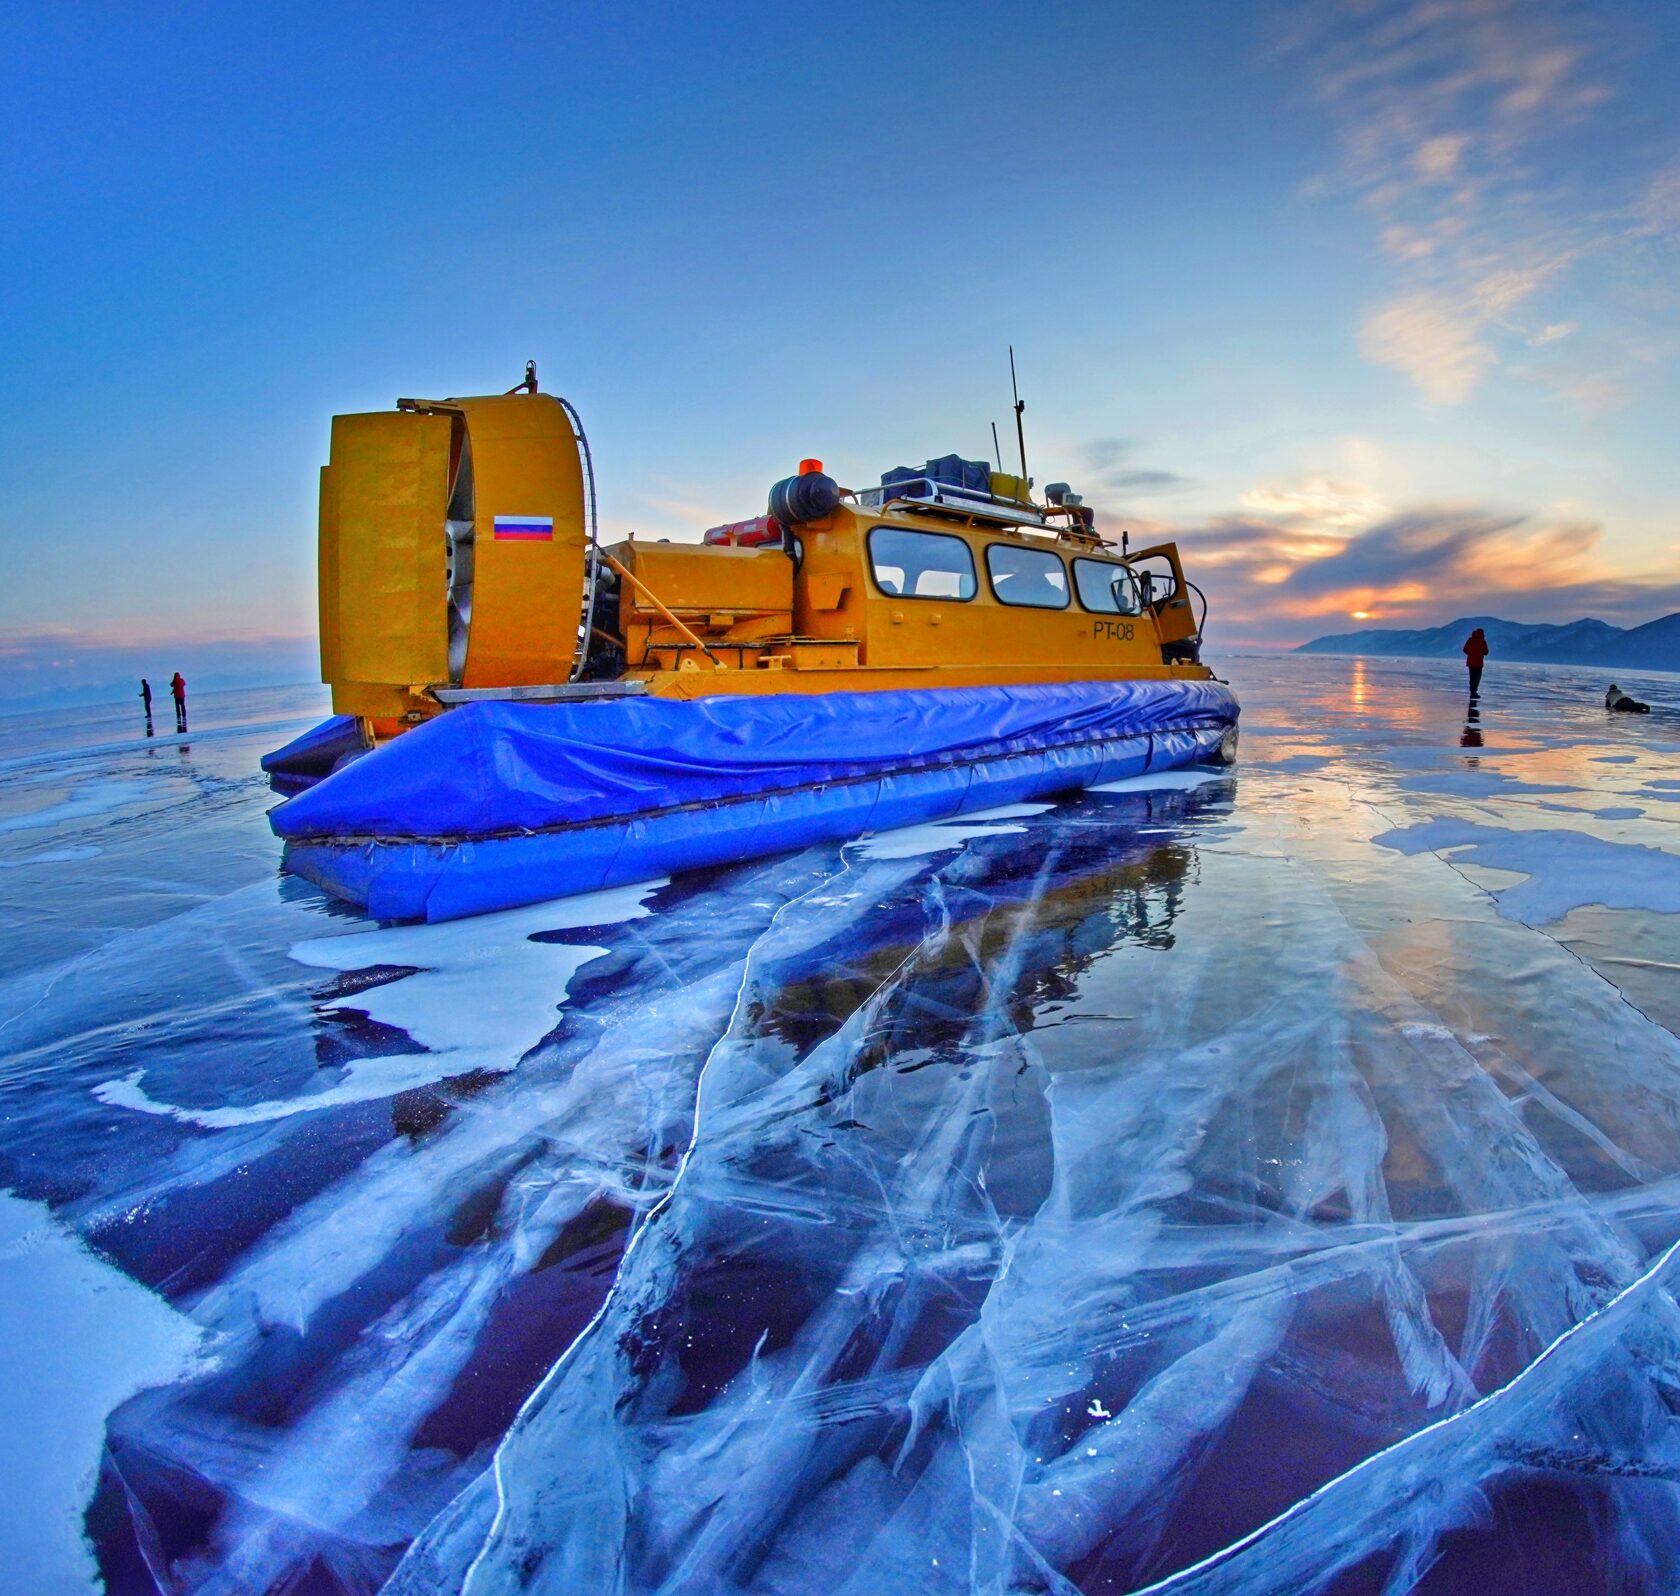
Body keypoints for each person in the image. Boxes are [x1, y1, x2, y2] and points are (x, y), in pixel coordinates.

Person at [1462, 627, 1488, 698]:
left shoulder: (1470, 640)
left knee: (1472, 678)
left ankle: (1473, 692)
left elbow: (1465, 649)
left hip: (1471, 662)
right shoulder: (1482, 641)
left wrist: (1471, 654)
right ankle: (1474, 692)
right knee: (1477, 678)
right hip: (1479, 663)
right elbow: (1486, 652)